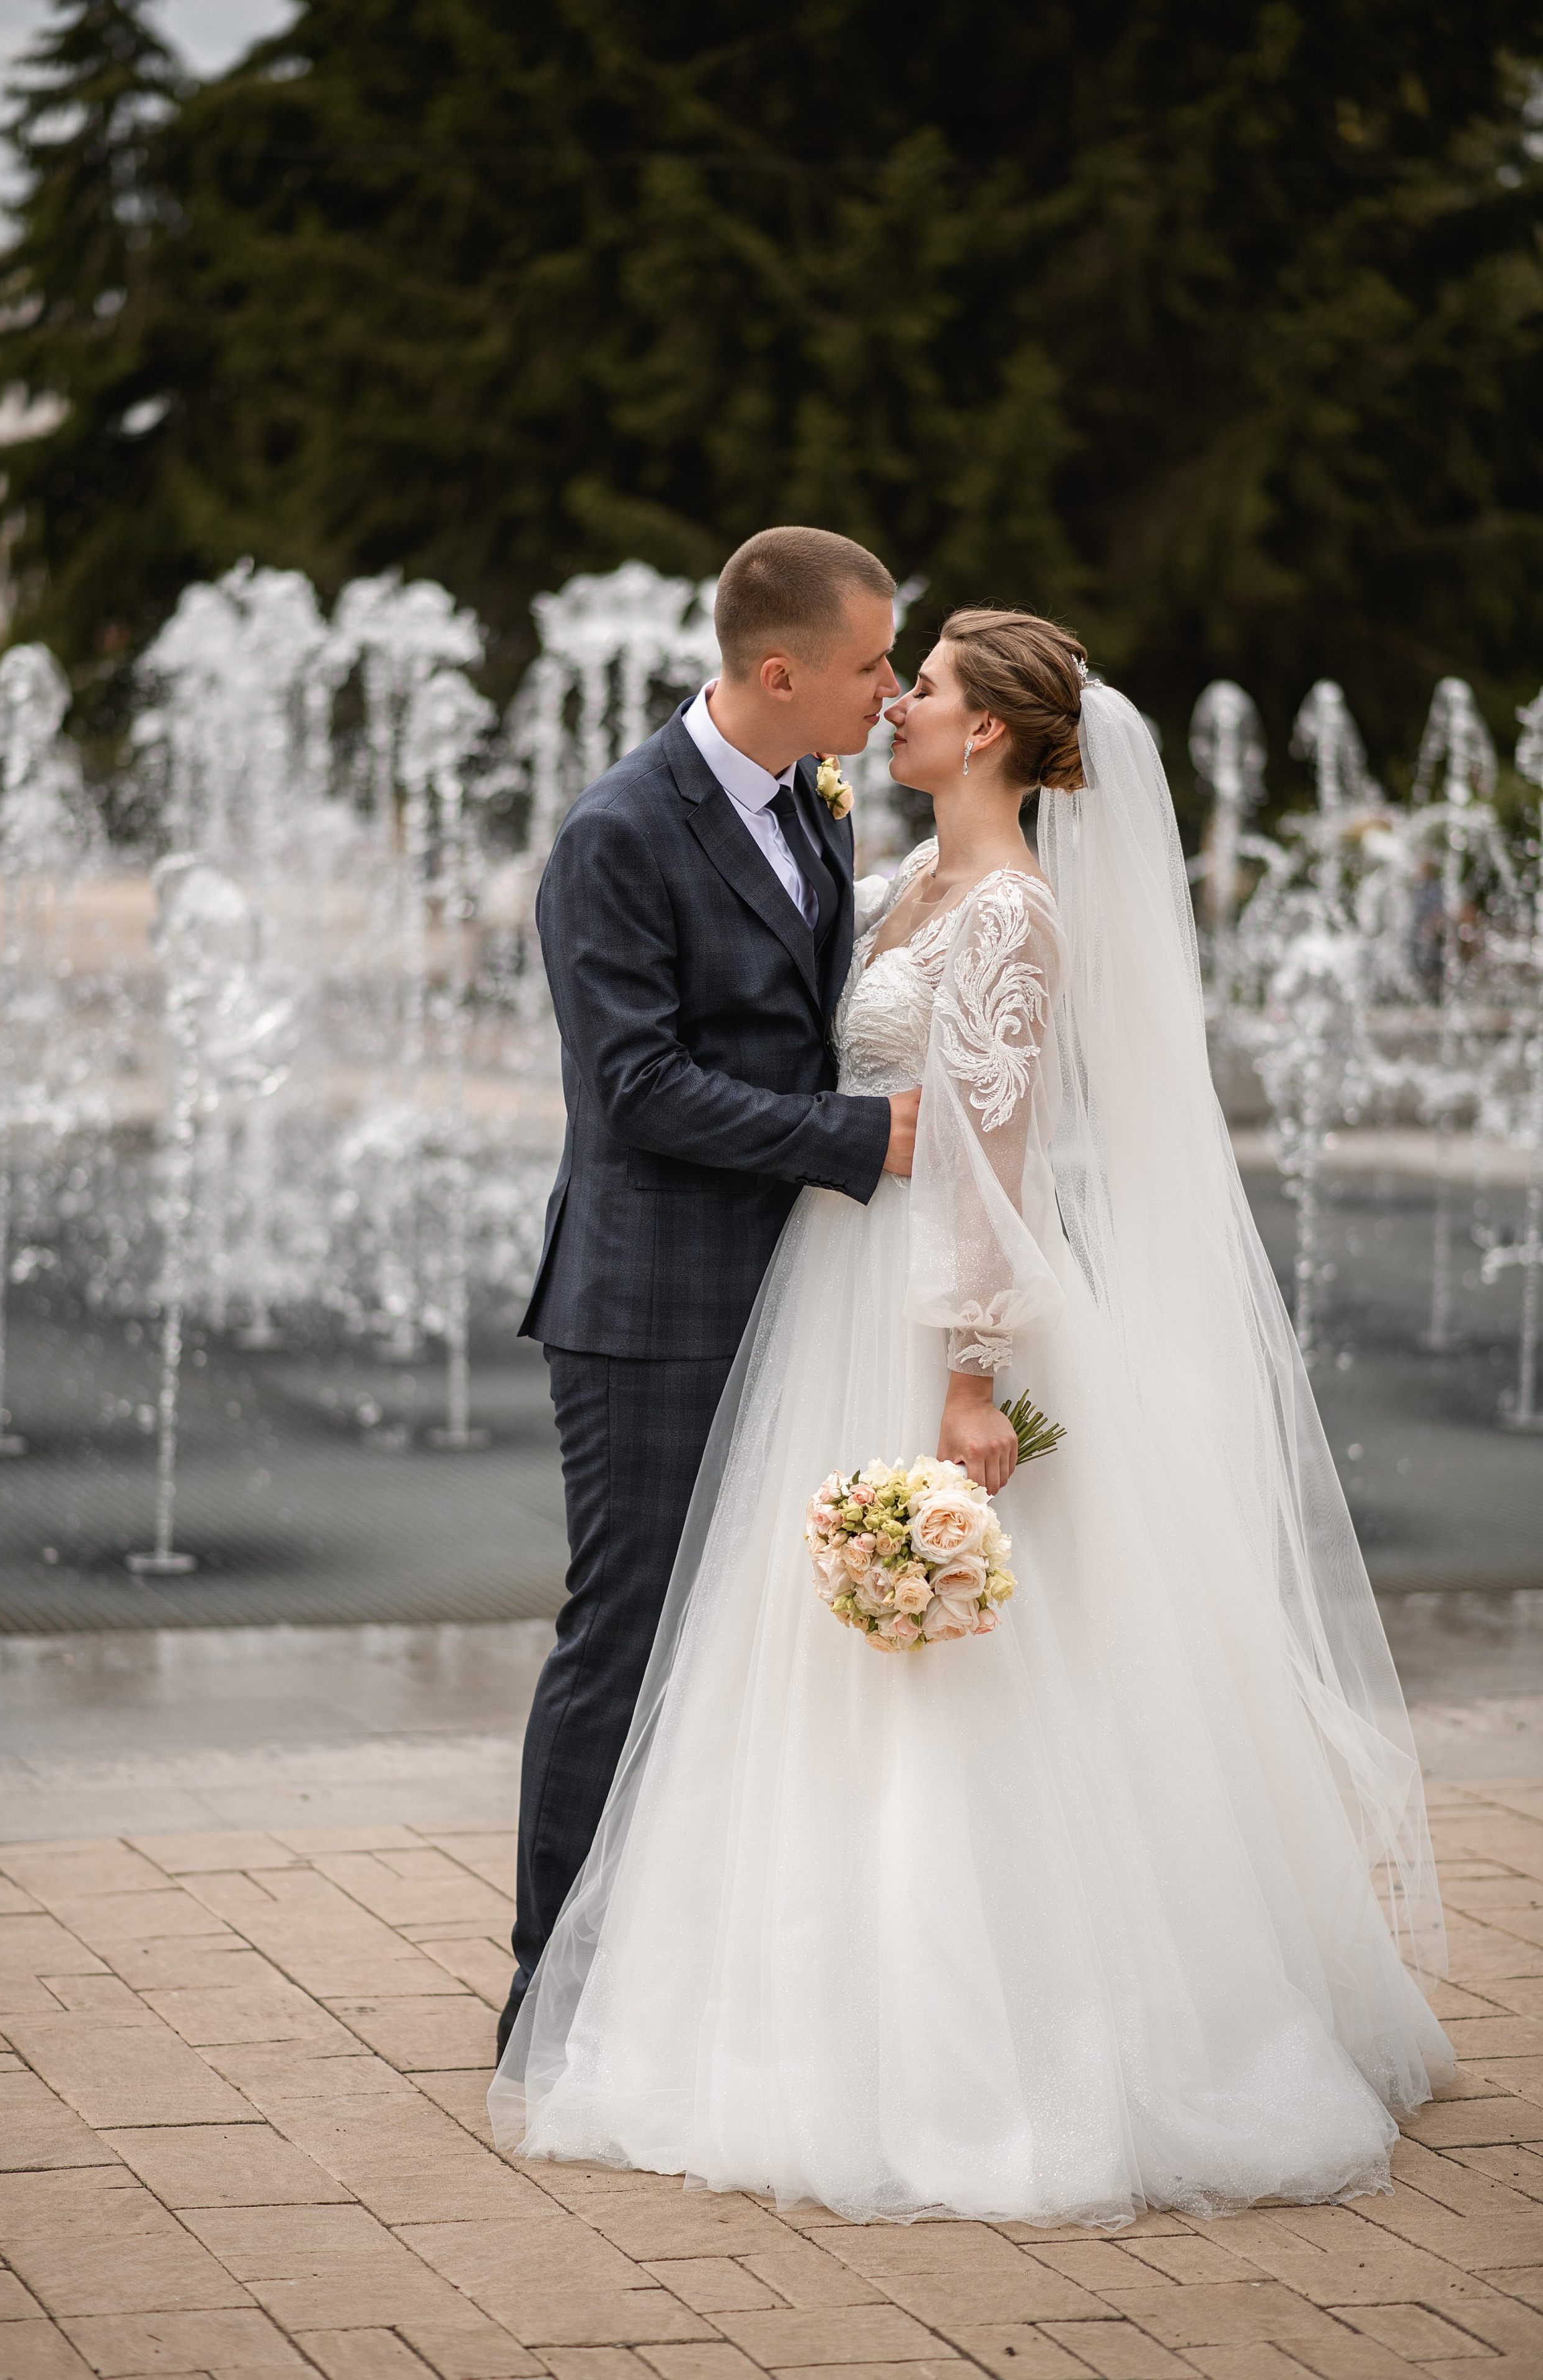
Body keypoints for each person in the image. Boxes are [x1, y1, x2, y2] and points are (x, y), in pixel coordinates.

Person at [490, 606, 1453, 2226]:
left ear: (990, 732)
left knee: (958, 1666)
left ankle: (995, 2035)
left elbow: (995, 1163)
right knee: (793, 1655)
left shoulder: (1006, 913)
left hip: (924, 1310)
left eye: (919, 686)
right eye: (889, 675)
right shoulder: (902, 880)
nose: (896, 706)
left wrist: (966, 1374)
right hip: (831, 1286)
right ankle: (763, 1984)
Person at [503, 527, 920, 2056]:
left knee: (743, 1644)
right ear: (779, 670)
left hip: (786, 1298)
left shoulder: (816, 806)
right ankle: (545, 1992)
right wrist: (857, 1138)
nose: (890, 690)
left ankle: (689, 1979)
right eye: (872, 664)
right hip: (646, 1306)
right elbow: (634, 1089)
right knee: (624, 1637)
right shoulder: (618, 830)